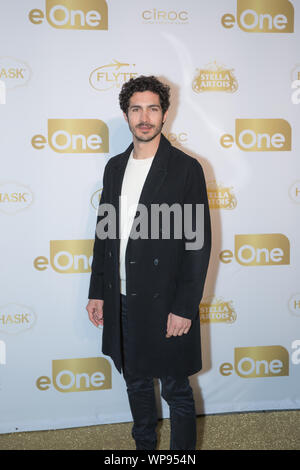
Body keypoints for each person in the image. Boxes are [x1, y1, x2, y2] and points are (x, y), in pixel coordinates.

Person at [86, 75, 211, 450]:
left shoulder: (186, 168)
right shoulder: (114, 167)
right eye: (136, 108)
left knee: (176, 391)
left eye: (152, 108)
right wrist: (98, 291)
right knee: (137, 385)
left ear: (165, 114)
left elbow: (197, 243)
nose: (145, 117)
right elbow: (104, 234)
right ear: (126, 115)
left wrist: (184, 307)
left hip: (167, 303)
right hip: (123, 300)